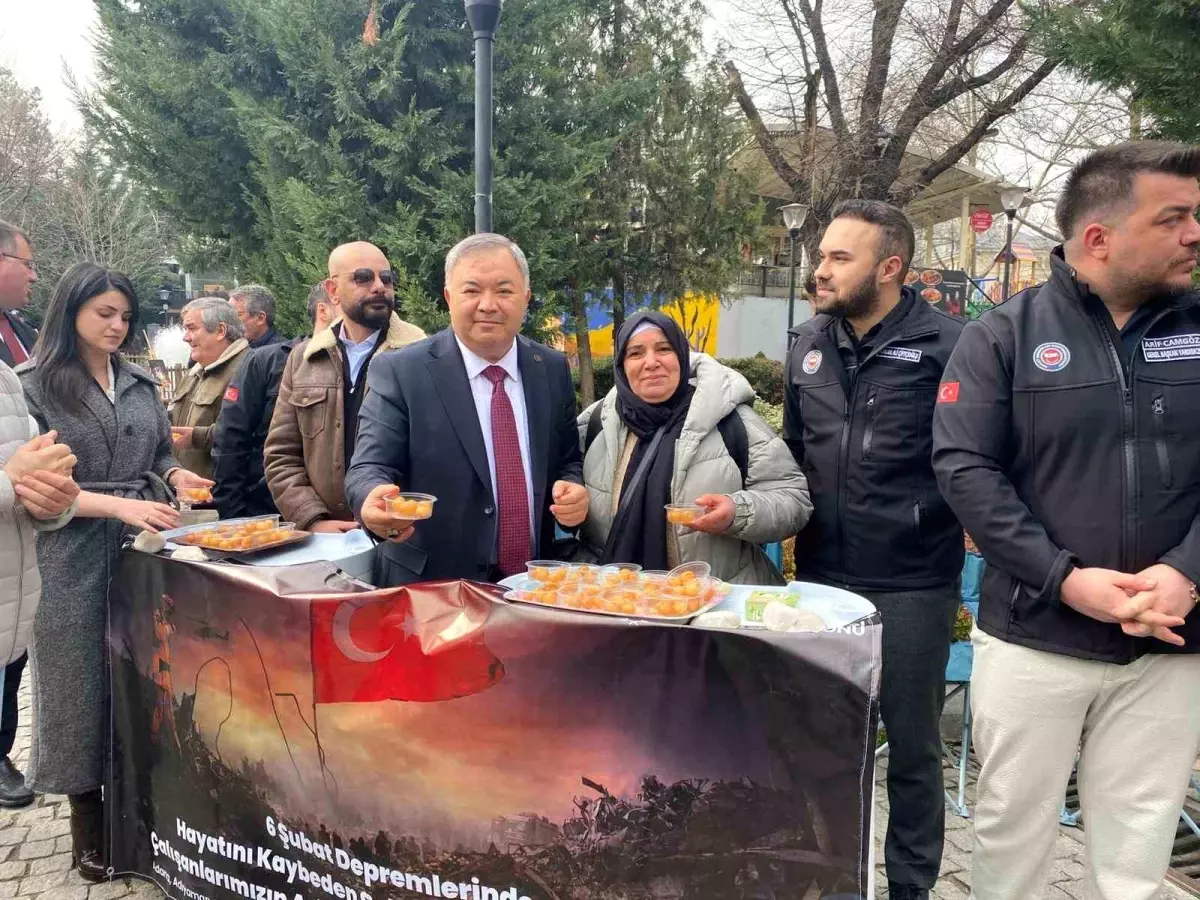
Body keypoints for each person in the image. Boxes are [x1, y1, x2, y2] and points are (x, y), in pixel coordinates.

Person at [933, 141, 1200, 900]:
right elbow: (964, 468)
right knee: (1011, 835)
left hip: (1170, 643)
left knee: (1137, 846)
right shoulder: (1003, 336)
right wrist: (1065, 579)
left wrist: (1187, 572)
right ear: (1099, 237)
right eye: (1175, 217)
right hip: (1035, 637)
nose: (1195, 234)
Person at [783, 200, 965, 900]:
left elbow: (972, 455)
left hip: (914, 581)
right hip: (823, 577)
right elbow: (793, 456)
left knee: (913, 750)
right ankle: (829, 882)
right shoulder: (806, 342)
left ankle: (910, 889)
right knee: (824, 746)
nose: (820, 269)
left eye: (838, 258)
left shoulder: (951, 344)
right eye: (821, 255)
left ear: (890, 268)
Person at [17, 262, 210, 881]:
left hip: (142, 550)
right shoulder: (33, 387)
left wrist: (177, 475)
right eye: (105, 313)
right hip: (65, 554)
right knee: (76, 686)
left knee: (142, 679)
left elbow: (157, 453)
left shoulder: (137, 380)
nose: (117, 325)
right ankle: (88, 823)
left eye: (125, 316)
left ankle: (145, 814)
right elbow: (32, 485)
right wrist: (115, 503)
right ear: (70, 310)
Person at [345, 233, 587, 584]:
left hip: (536, 589)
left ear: (526, 298)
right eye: (472, 291)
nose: (488, 305)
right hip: (432, 591)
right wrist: (371, 500)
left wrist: (572, 488)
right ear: (448, 297)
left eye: (504, 291)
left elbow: (567, 458)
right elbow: (369, 465)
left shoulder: (550, 368)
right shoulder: (402, 371)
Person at [577, 310, 811, 581]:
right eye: (636, 353)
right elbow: (557, 488)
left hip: (712, 606)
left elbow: (793, 499)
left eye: (664, 349)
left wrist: (737, 512)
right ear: (621, 364)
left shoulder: (730, 420)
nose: (651, 362)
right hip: (615, 602)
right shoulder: (595, 424)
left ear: (681, 355)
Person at [265, 243, 425, 531]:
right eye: (362, 278)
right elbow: (281, 455)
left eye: (386, 279)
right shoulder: (303, 359)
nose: (379, 287)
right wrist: (313, 520)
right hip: (327, 541)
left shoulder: (422, 355)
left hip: (404, 536)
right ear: (333, 290)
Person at [1, 358, 79, 812]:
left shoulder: (5, 379)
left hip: (10, 609)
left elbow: (39, 485)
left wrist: (56, 500)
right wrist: (11, 482)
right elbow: (14, 479)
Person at [213, 283, 336, 520]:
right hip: (267, 512)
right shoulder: (266, 361)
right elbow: (230, 439)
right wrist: (233, 516)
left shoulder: (370, 366)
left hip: (336, 521)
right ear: (324, 310)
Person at [0, 220, 43, 808]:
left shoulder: (19, 333)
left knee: (12, 648)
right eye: (26, 262)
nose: (35, 274)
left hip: (19, 534)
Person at [169, 297, 250, 480]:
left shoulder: (249, 369)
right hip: (191, 496)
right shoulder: (194, 372)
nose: (185, 337)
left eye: (192, 328)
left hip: (222, 498)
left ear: (221, 331)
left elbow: (249, 432)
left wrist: (198, 437)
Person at [229, 284, 285, 349]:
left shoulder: (278, 354)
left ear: (260, 318)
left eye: (236, 315)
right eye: (227, 315)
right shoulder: (236, 346)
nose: (228, 322)